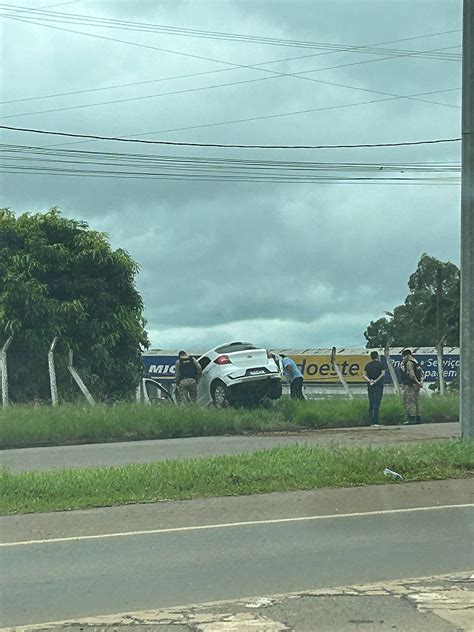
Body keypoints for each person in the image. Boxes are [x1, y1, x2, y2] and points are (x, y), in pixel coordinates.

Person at [399, 349, 423, 424]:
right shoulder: (416, 362)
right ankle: (418, 418)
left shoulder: (409, 363)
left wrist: (416, 381)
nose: (403, 358)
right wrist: (420, 383)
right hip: (417, 385)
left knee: (409, 401)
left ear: (408, 355)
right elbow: (421, 373)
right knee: (417, 401)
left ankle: (411, 419)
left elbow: (412, 375)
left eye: (404, 356)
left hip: (411, 385)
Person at [363, 351, 386, 426]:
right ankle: (376, 421)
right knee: (377, 402)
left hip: (370, 385)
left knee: (371, 402)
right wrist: (376, 380)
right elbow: (383, 374)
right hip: (378, 385)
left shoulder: (368, 365)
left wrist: (369, 380)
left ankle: (370, 421)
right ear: (377, 356)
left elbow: (364, 375)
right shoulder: (380, 364)